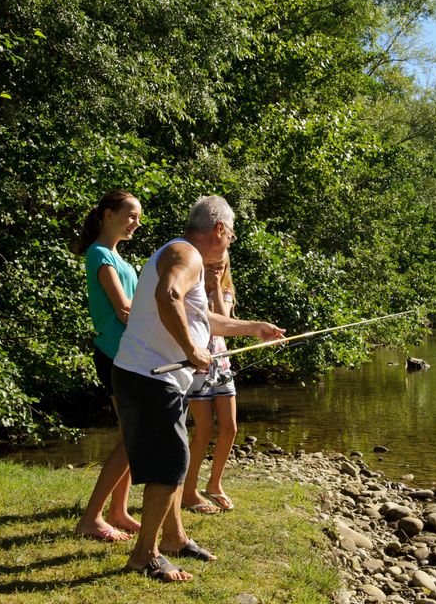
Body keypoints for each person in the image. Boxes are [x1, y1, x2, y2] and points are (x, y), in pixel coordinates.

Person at [112, 195, 285, 582]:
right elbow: (167, 295)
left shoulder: (180, 253)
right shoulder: (185, 255)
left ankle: (174, 537)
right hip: (149, 377)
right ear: (219, 230)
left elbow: (200, 316)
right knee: (171, 463)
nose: (230, 243)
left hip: (144, 374)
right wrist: (192, 349)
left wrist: (253, 326)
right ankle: (145, 556)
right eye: (232, 236)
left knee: (173, 460)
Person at [70, 189, 143, 542]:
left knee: (130, 434)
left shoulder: (116, 256)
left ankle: (118, 511)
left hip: (127, 354)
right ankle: (91, 518)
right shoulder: (100, 255)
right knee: (133, 436)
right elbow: (125, 309)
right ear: (107, 215)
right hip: (116, 355)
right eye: (130, 215)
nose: (136, 223)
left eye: (138, 217)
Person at [181, 251, 239, 514]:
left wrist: (216, 286)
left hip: (222, 364)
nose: (217, 269)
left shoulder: (224, 289)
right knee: (204, 430)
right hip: (197, 368)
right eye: (211, 266)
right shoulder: (191, 288)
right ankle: (188, 490)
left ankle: (214, 484)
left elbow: (225, 321)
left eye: (221, 266)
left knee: (230, 428)